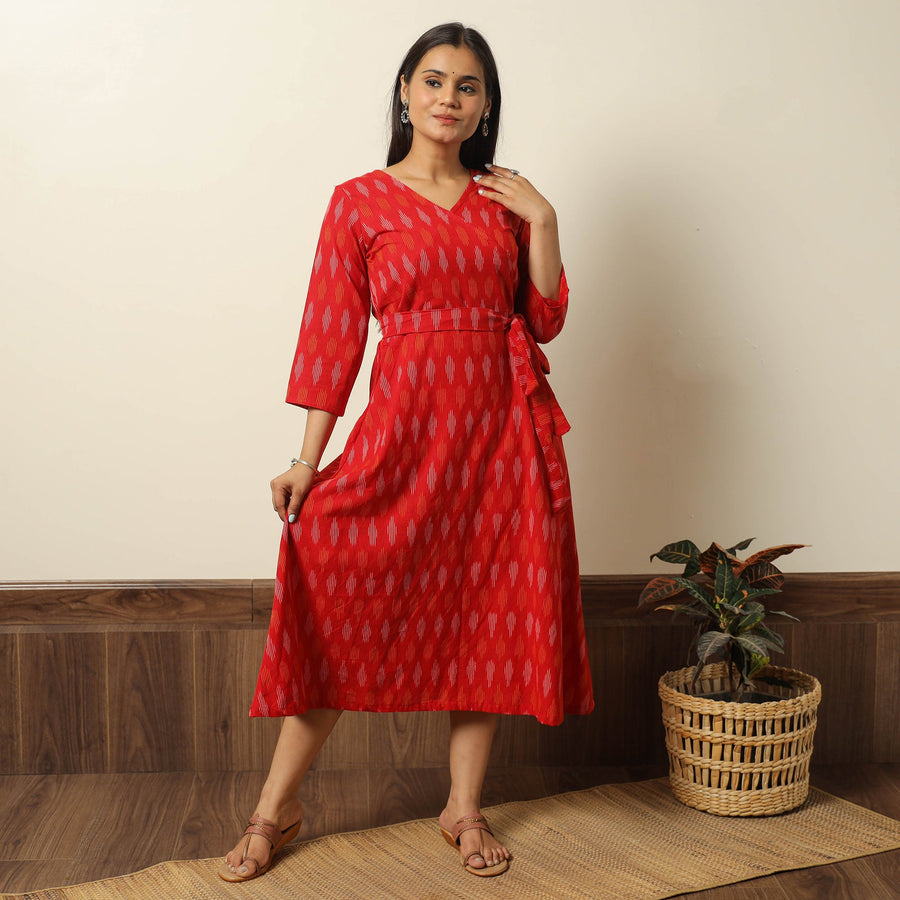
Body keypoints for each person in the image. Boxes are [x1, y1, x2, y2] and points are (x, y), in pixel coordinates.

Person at [220, 21, 594, 884]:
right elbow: (332, 337)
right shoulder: (359, 202)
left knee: (483, 618)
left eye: (467, 86)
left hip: (500, 441)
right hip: (403, 436)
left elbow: (544, 320)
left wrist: (544, 218)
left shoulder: (506, 203)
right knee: (340, 600)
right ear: (404, 91)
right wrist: (307, 460)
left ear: (486, 104)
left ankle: (463, 806)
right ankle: (276, 808)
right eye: (433, 81)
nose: (448, 99)